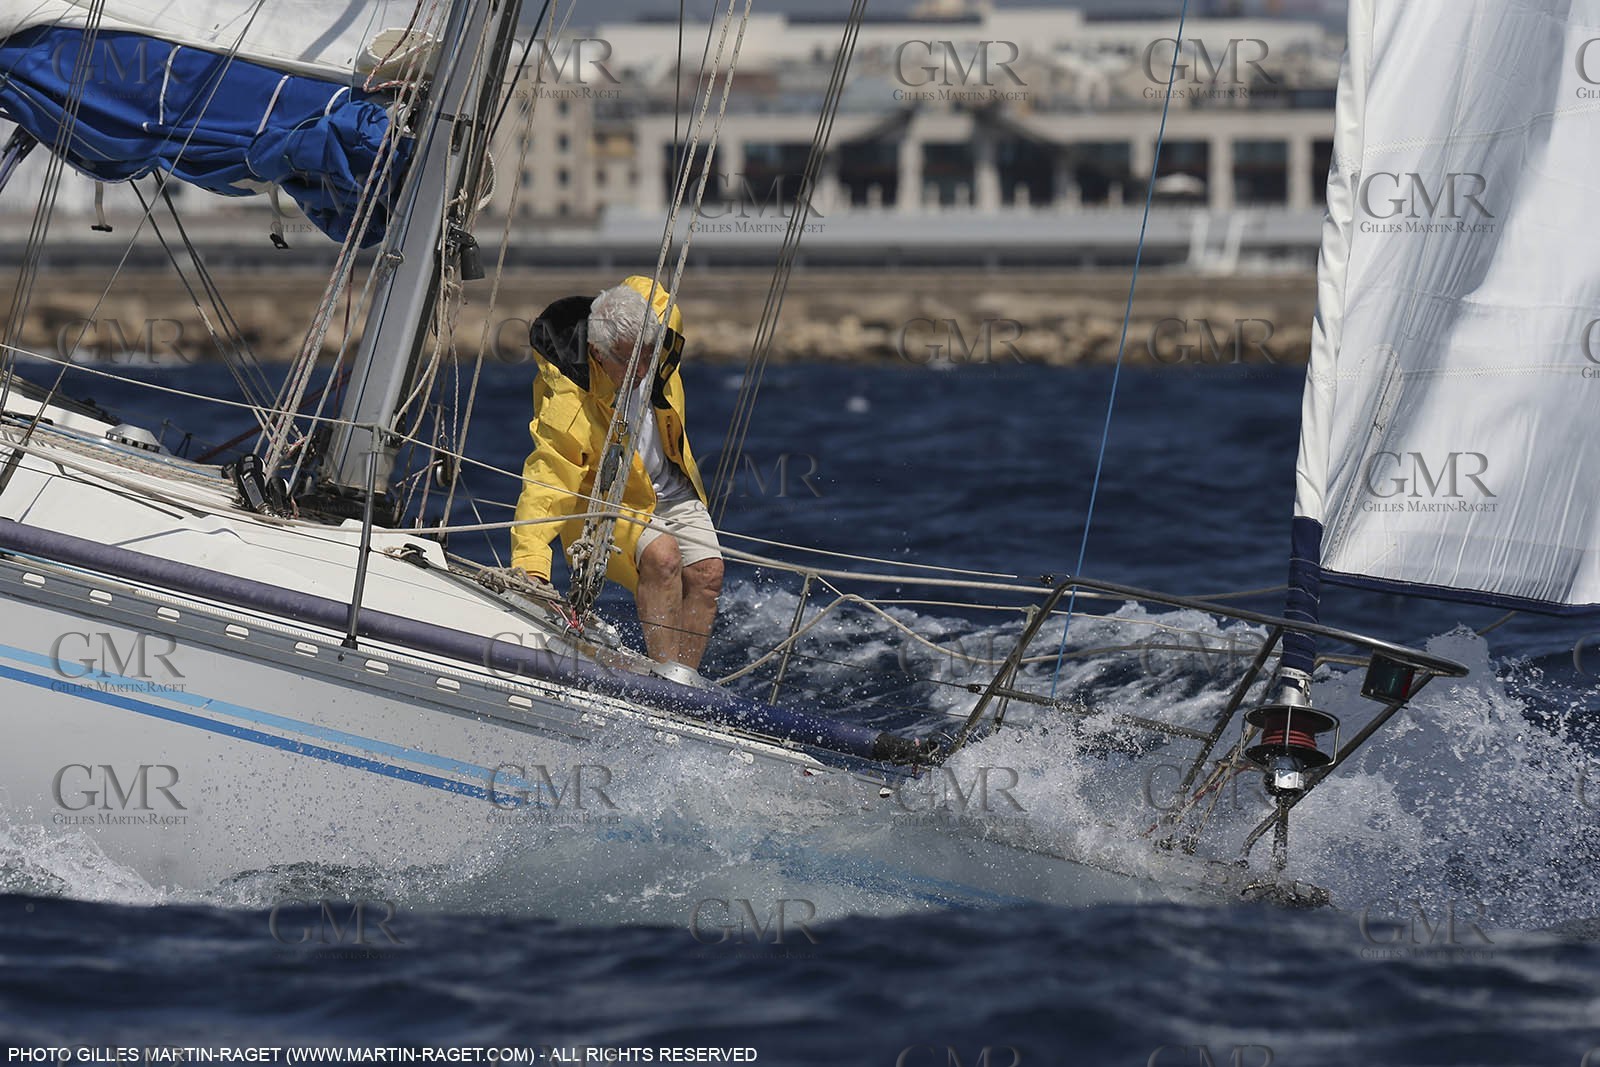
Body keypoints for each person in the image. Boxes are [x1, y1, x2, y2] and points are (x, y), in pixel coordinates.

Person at [489, 276, 724, 675]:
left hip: (670, 486)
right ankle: (663, 683)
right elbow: (549, 476)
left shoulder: (659, 327)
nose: (644, 370)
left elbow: (655, 292)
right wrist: (531, 563)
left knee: (707, 573)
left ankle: (683, 682)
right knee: (662, 556)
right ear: (598, 352)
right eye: (631, 361)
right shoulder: (571, 394)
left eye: (650, 356)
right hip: (607, 500)